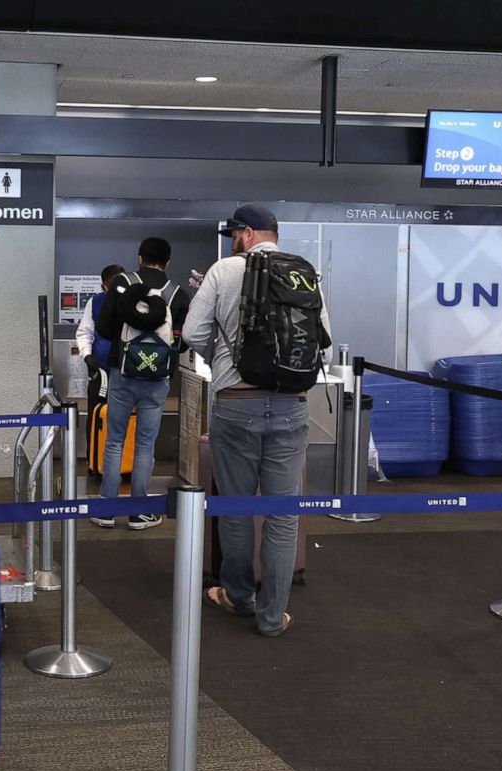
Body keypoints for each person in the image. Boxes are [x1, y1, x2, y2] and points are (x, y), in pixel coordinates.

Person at [182, 204, 332, 638]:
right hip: (292, 403)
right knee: (283, 515)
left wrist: (223, 362)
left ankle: (238, 596)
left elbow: (192, 333)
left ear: (248, 233)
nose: (232, 240)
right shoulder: (304, 271)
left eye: (235, 233)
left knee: (237, 508)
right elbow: (325, 335)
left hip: (236, 402)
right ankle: (272, 617)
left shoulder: (223, 270)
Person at [89, 238, 188, 531]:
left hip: (123, 373)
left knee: (115, 440)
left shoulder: (122, 283)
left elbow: (104, 328)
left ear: (139, 258)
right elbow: (182, 341)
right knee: (145, 443)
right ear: (167, 263)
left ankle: (107, 510)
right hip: (157, 379)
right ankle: (138, 512)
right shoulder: (177, 294)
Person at [74, 264, 125, 402]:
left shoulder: (133, 301)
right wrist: (87, 356)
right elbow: (85, 332)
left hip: (126, 372)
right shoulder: (95, 302)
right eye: (112, 284)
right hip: (101, 371)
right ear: (104, 285)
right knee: (97, 414)